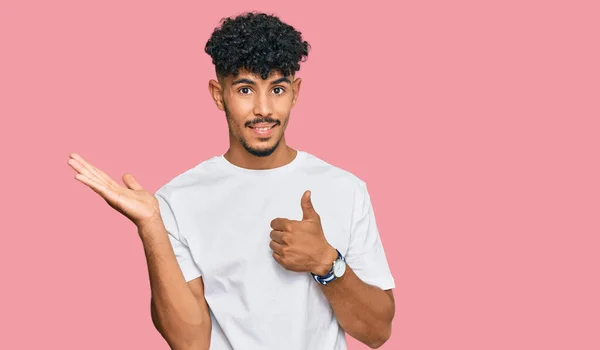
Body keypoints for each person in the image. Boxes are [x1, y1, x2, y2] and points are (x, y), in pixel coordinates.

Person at [68, 11, 395, 350]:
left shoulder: (346, 189)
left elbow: (377, 332)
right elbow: (189, 342)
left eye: (278, 89)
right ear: (218, 94)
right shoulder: (177, 200)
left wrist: (326, 262)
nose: (263, 109)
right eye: (244, 89)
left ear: (295, 93)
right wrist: (150, 225)